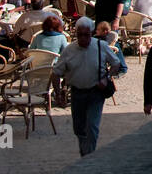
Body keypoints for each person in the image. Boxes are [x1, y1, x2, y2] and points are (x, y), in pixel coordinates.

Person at [53, 17, 123, 156]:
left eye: (86, 35)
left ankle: (88, 157)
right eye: (80, 35)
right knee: (79, 128)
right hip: (77, 93)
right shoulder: (69, 50)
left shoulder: (100, 46)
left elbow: (116, 64)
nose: (83, 38)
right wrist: (58, 92)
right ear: (76, 34)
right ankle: (85, 153)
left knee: (92, 126)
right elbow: (56, 73)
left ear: (91, 33)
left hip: (95, 92)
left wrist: (107, 77)